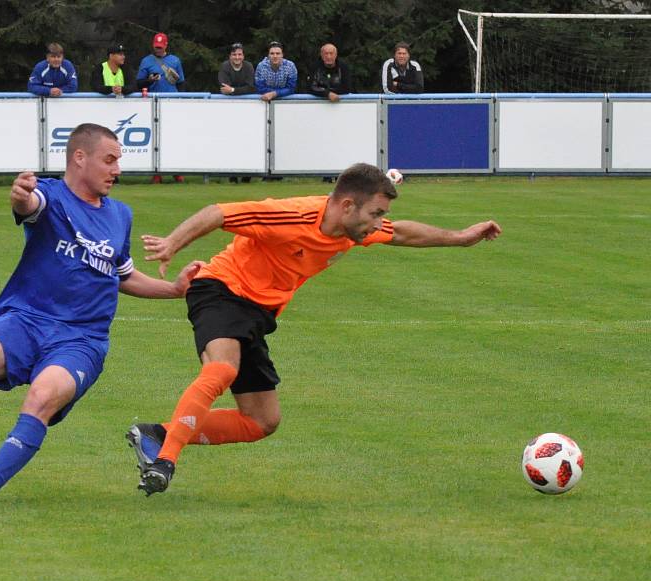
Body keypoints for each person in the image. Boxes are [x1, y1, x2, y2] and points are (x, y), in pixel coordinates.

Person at [126, 163, 502, 496]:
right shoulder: (291, 214)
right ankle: (165, 462)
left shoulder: (353, 228)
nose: (378, 223)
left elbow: (402, 232)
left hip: (257, 312)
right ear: (346, 205)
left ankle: (158, 433)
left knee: (261, 421)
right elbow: (218, 212)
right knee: (222, 368)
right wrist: (171, 243)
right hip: (222, 289)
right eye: (375, 213)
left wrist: (460, 237)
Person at [0, 123, 202, 510]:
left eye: (119, 160)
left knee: (42, 395)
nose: (117, 169)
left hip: (81, 339)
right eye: (110, 159)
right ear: (79, 158)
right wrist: (20, 197)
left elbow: (122, 276)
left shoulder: (120, 215)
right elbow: (29, 206)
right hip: (26, 319)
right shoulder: (50, 196)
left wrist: (174, 288)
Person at [137, 32, 186, 183]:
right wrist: (149, 79)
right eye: (156, 47)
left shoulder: (175, 60)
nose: (157, 49)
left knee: (172, 138)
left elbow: (181, 83)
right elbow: (139, 83)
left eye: (160, 47)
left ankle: (175, 170)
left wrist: (181, 99)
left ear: (165, 46)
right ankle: (157, 172)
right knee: (156, 139)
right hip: (153, 103)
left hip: (171, 102)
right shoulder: (146, 61)